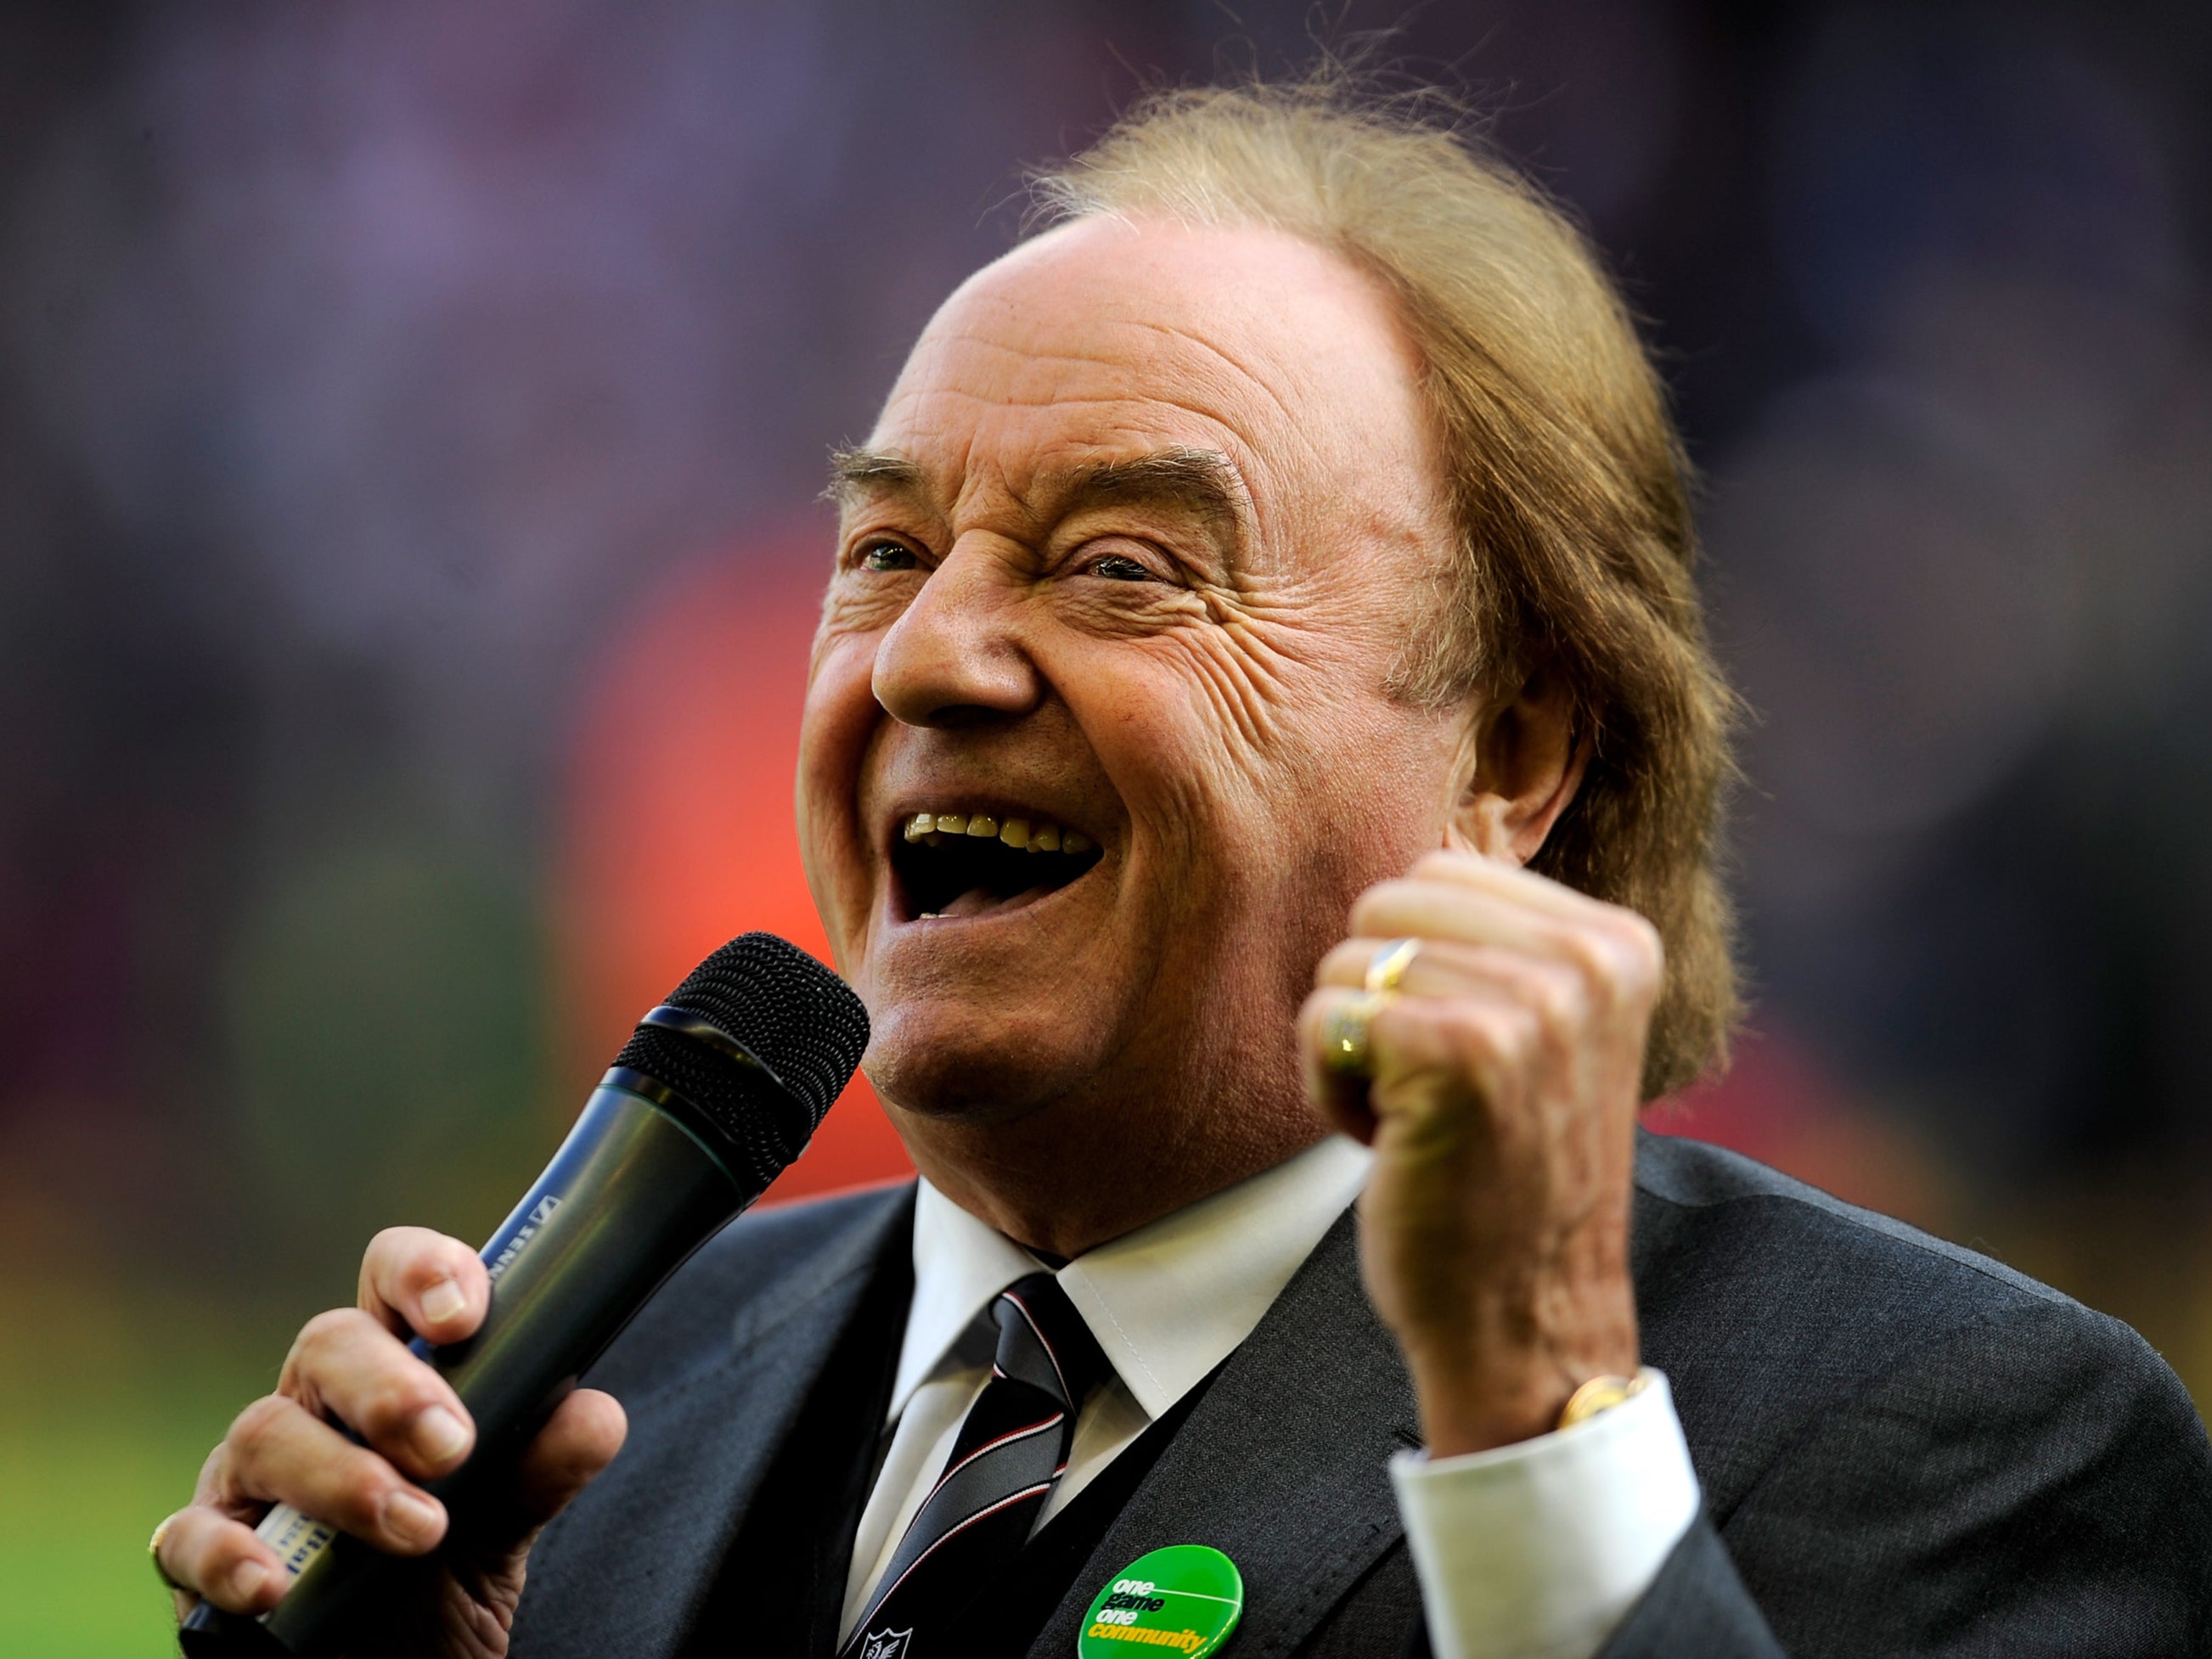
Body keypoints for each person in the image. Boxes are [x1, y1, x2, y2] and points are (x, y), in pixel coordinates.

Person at [152, 80, 2212, 1657]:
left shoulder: (1955, 1436)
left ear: (1509, 752)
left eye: (1124, 566)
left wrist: (1533, 1433)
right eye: (882, 549)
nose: (930, 654)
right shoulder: (599, 1416)